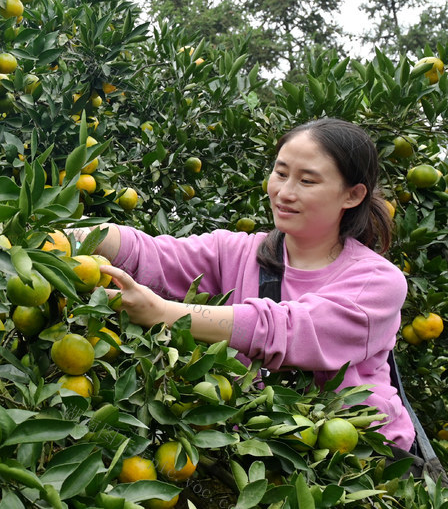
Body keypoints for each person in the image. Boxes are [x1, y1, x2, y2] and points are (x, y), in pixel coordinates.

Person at [83, 118, 414, 450]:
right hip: (258, 449)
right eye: (280, 173)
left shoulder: (378, 282)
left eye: (307, 181)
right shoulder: (236, 252)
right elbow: (151, 254)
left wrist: (164, 313)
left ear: (353, 195)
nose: (285, 192)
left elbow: (286, 330)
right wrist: (77, 235)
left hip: (359, 460)